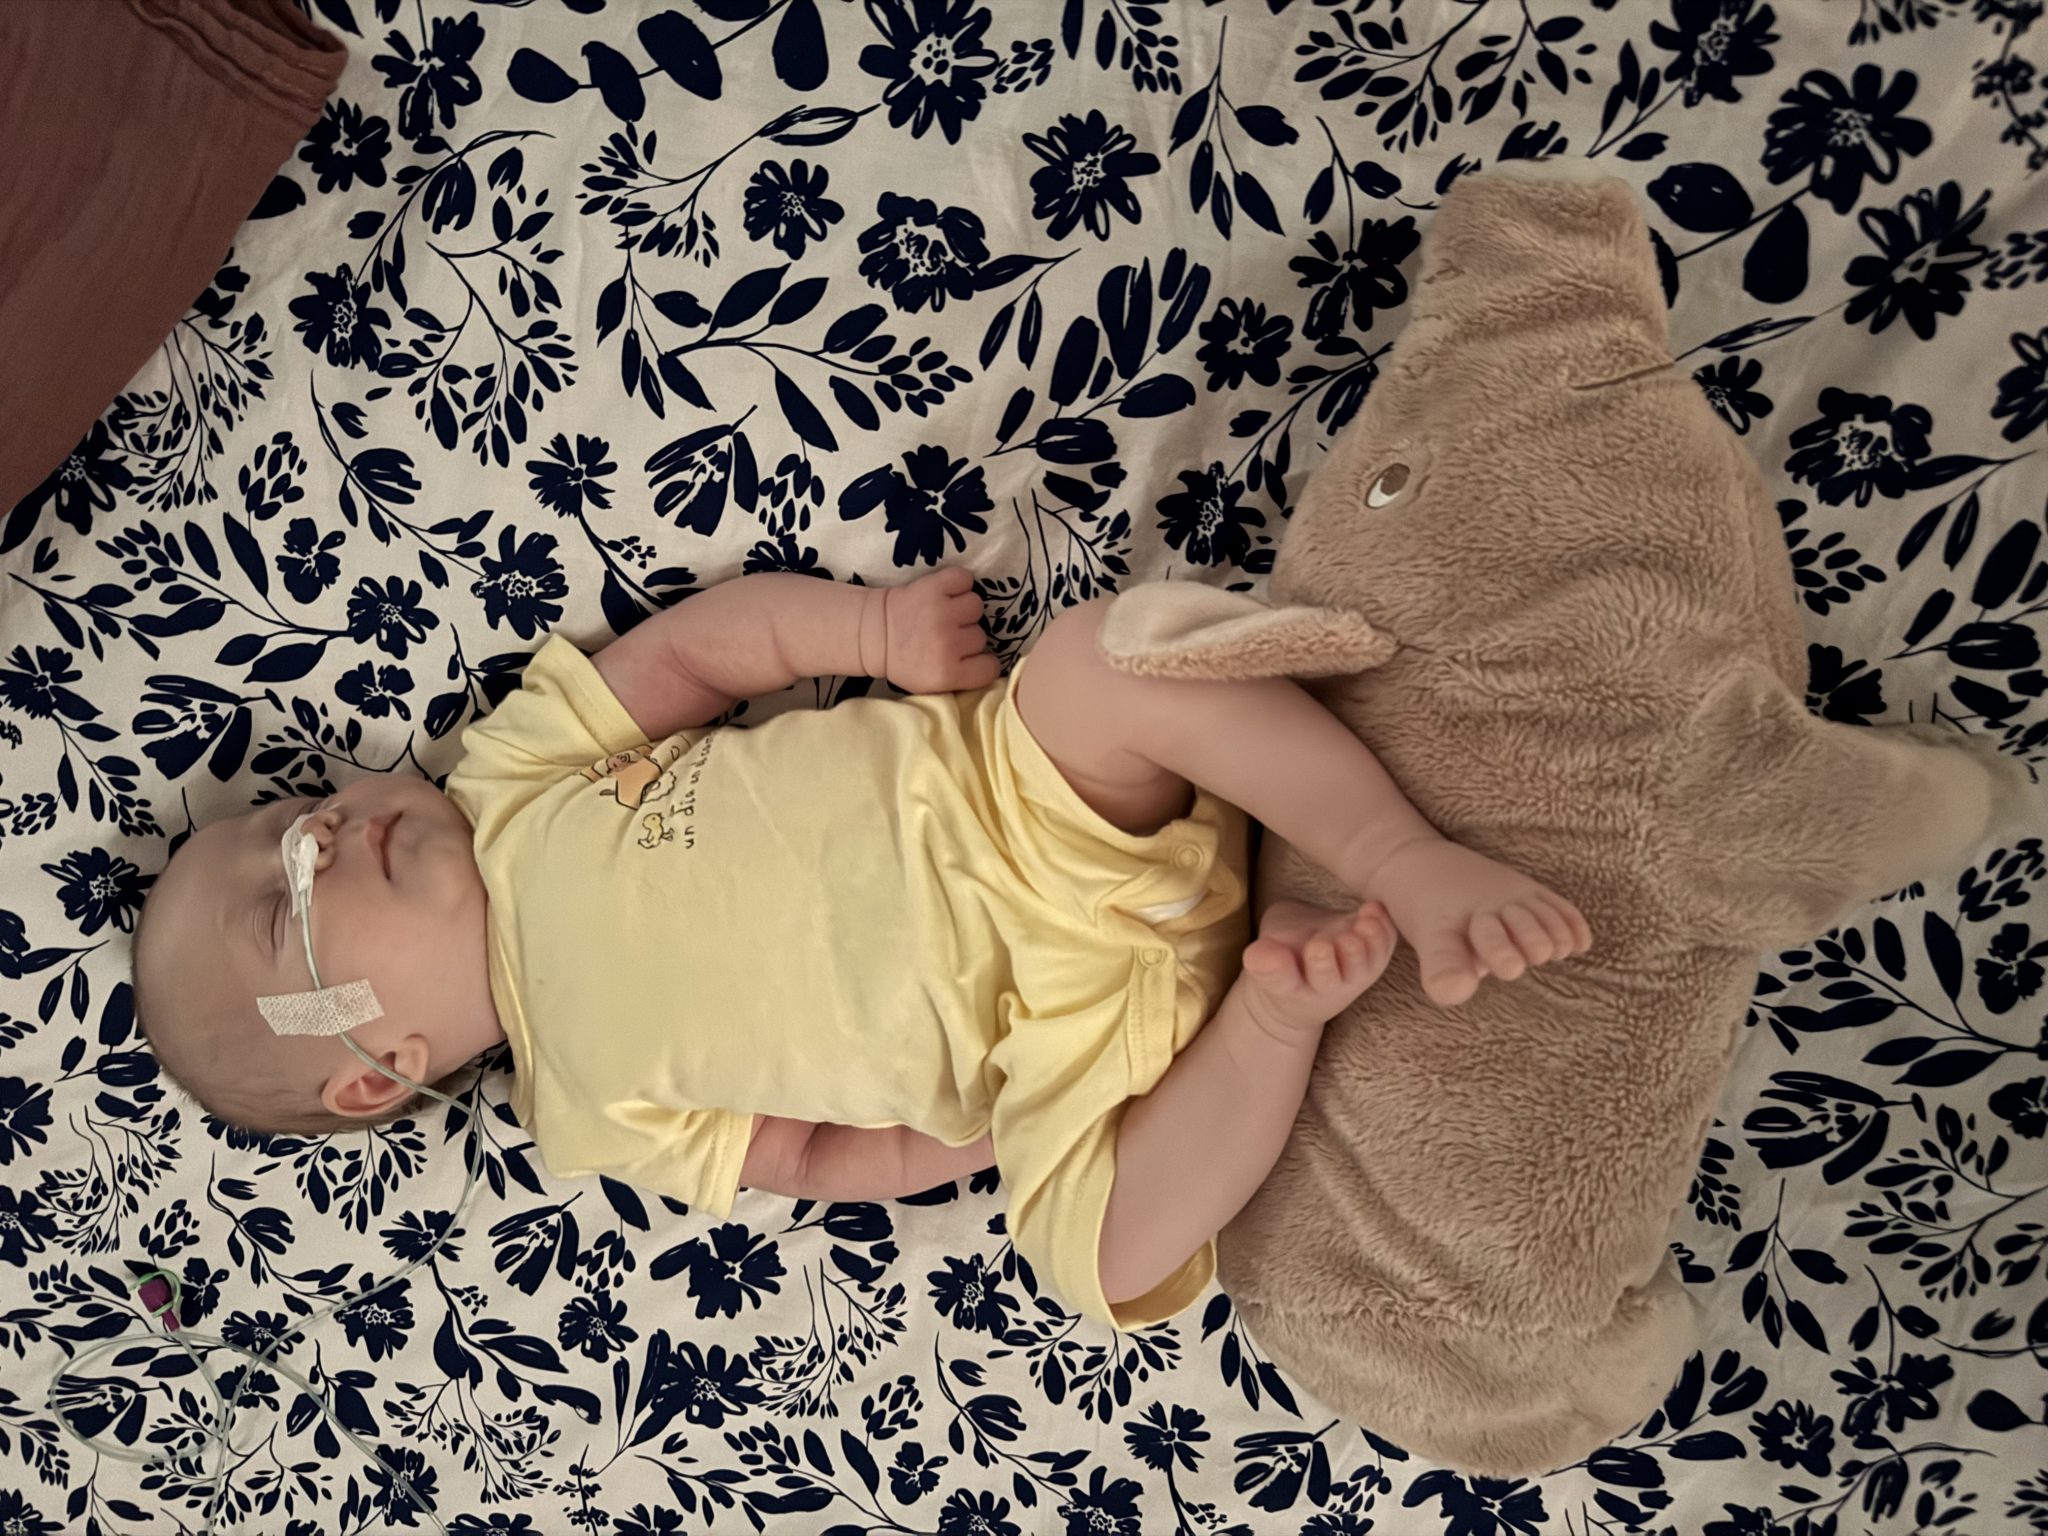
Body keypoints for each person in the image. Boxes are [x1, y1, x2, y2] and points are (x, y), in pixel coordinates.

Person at [133, 569, 1588, 1329]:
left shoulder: (509, 781)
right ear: (373, 1068)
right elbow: (815, 1156)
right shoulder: (582, 1113)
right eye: (285, 896)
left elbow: (691, 656)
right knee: (1096, 1256)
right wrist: (988, 1139)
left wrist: (874, 631)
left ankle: (1401, 855)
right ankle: (1276, 1016)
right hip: (1054, 1036)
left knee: (1094, 663)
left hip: (1031, 806)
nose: (318, 831)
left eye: (292, 815)